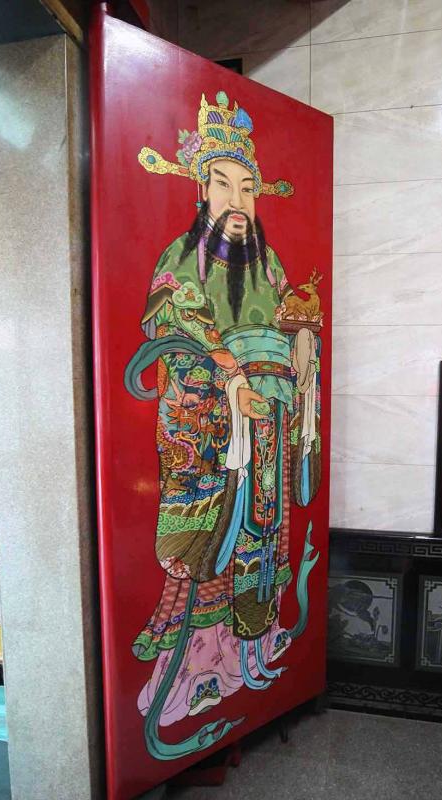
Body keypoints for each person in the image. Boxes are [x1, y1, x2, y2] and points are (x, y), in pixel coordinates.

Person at [126, 91, 322, 760]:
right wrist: (229, 375)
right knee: (213, 539)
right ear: (201, 191)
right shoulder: (182, 259)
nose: (238, 200)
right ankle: (197, 665)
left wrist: (303, 345)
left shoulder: (269, 265)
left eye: (248, 187)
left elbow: (294, 320)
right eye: (224, 185)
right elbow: (174, 319)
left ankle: (250, 655)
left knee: (263, 533)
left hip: (267, 424)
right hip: (209, 428)